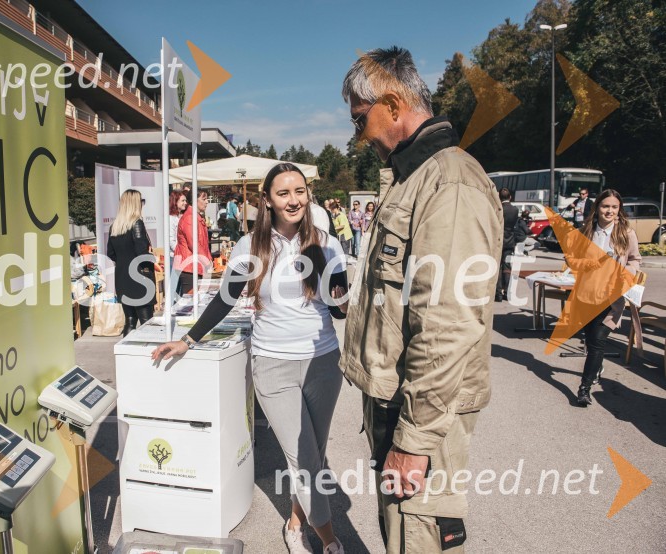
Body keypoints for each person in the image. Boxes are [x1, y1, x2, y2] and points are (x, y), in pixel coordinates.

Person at [341, 47, 502, 553]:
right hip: (400, 406)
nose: (360, 135)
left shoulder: (449, 182)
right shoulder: (415, 178)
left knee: (418, 538)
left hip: (421, 421)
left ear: (392, 104)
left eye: (361, 120)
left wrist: (413, 441)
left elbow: (447, 327)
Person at [152, 163, 349, 554]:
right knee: (306, 458)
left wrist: (324, 264)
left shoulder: (327, 241)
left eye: (300, 191)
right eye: (283, 193)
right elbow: (226, 298)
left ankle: (295, 524)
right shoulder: (250, 247)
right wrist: (188, 340)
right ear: (269, 201)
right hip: (273, 365)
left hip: (323, 363)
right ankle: (331, 541)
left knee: (310, 453)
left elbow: (340, 310)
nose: (293, 200)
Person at [564, 189, 641, 406]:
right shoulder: (585, 231)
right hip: (586, 296)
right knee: (590, 342)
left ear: (619, 209)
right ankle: (596, 368)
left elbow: (635, 260)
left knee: (598, 342)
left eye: (614, 207)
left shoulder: (626, 233)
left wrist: (627, 273)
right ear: (597, 207)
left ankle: (584, 389)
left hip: (611, 299)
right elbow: (571, 259)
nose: (609, 211)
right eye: (605, 206)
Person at [107, 189, 156, 336]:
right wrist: (154, 260)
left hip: (122, 277)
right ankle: (149, 355)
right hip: (140, 279)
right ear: (135, 203)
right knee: (147, 321)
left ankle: (127, 353)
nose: (142, 204)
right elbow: (142, 253)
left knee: (130, 319)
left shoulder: (115, 226)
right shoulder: (137, 224)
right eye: (141, 201)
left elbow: (111, 253)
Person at [174, 189, 213, 295]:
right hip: (190, 268)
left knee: (195, 303)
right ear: (195, 200)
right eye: (204, 199)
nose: (207, 202)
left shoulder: (194, 216)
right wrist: (208, 263)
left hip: (194, 266)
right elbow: (194, 245)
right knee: (190, 305)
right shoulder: (190, 218)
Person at [497, 188, 520, 302]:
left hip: (499, 240)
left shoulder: (498, 209)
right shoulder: (515, 209)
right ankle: (506, 291)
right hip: (510, 240)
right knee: (507, 267)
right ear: (510, 197)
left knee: (498, 266)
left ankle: (498, 292)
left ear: (499, 197)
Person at [168, 190, 188, 299]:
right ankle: (171, 309)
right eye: (182, 200)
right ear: (175, 202)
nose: (185, 202)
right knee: (174, 286)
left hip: (179, 256)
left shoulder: (179, 217)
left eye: (185, 200)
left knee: (179, 286)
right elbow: (171, 240)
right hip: (174, 257)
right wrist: (180, 252)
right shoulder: (171, 218)